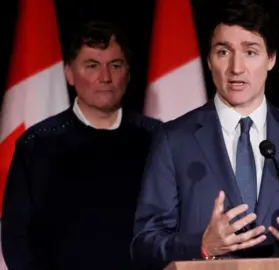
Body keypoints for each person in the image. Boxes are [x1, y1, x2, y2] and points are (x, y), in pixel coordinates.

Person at [131, 0, 279, 268]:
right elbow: (144, 245)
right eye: (223, 52)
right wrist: (202, 245)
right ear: (209, 60)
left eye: (251, 52)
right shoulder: (174, 140)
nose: (236, 68)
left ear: (271, 59)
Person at [1, 21, 162, 270]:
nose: (105, 77)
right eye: (92, 66)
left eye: (115, 66)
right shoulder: (38, 144)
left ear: (128, 74)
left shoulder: (159, 139)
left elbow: (176, 227)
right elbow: (16, 238)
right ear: (69, 73)